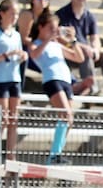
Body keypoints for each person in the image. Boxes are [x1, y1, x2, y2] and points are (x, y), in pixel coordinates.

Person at [28, 10, 88, 164]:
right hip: (52, 80)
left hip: (65, 81)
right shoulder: (37, 44)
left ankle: (57, 153)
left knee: (69, 120)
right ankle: (54, 155)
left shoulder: (56, 45)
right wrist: (48, 39)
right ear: (41, 27)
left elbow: (79, 58)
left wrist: (72, 40)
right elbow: (33, 55)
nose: (53, 31)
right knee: (65, 115)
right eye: (50, 28)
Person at [0, 0, 27, 160]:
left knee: (13, 120)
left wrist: (22, 56)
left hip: (14, 78)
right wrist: (5, 55)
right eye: (12, 13)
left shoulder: (16, 35)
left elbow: (19, 54)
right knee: (2, 119)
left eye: (16, 14)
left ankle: (11, 157)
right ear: (2, 14)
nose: (15, 17)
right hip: (0, 80)